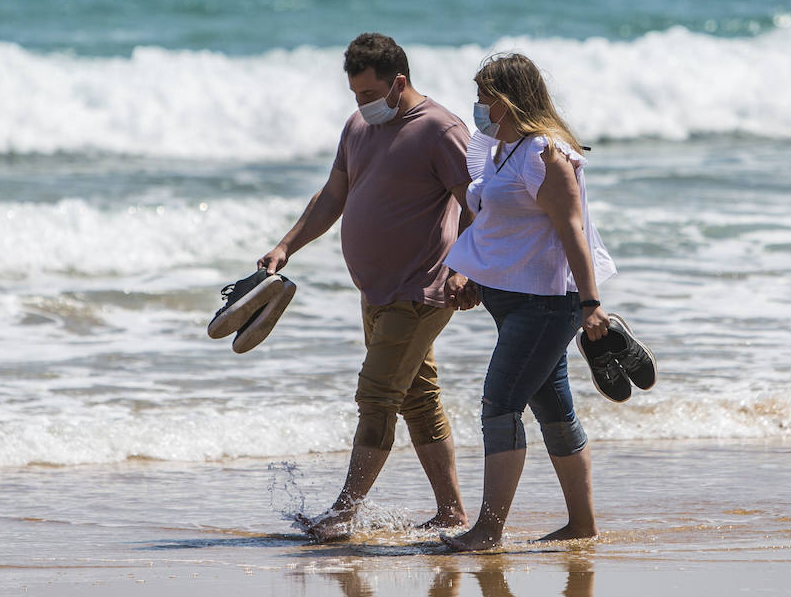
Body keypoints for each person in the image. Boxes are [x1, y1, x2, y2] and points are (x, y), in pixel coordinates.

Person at [259, 32, 480, 540]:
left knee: (377, 397)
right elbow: (334, 192)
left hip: (422, 289)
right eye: (354, 94)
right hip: (376, 291)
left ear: (398, 81)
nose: (361, 104)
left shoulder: (441, 129)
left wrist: (465, 269)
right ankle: (452, 514)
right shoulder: (358, 125)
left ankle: (343, 513)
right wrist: (286, 246)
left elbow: (476, 204)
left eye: (368, 93)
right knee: (418, 399)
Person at [440, 52, 616, 551]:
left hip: (545, 304)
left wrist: (591, 304)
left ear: (508, 99)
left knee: (499, 406)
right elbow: (496, 225)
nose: (476, 106)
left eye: (483, 97)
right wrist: (467, 272)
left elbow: (573, 230)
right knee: (554, 411)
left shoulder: (546, 153)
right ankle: (582, 525)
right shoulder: (498, 148)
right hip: (511, 300)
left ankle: (488, 531)